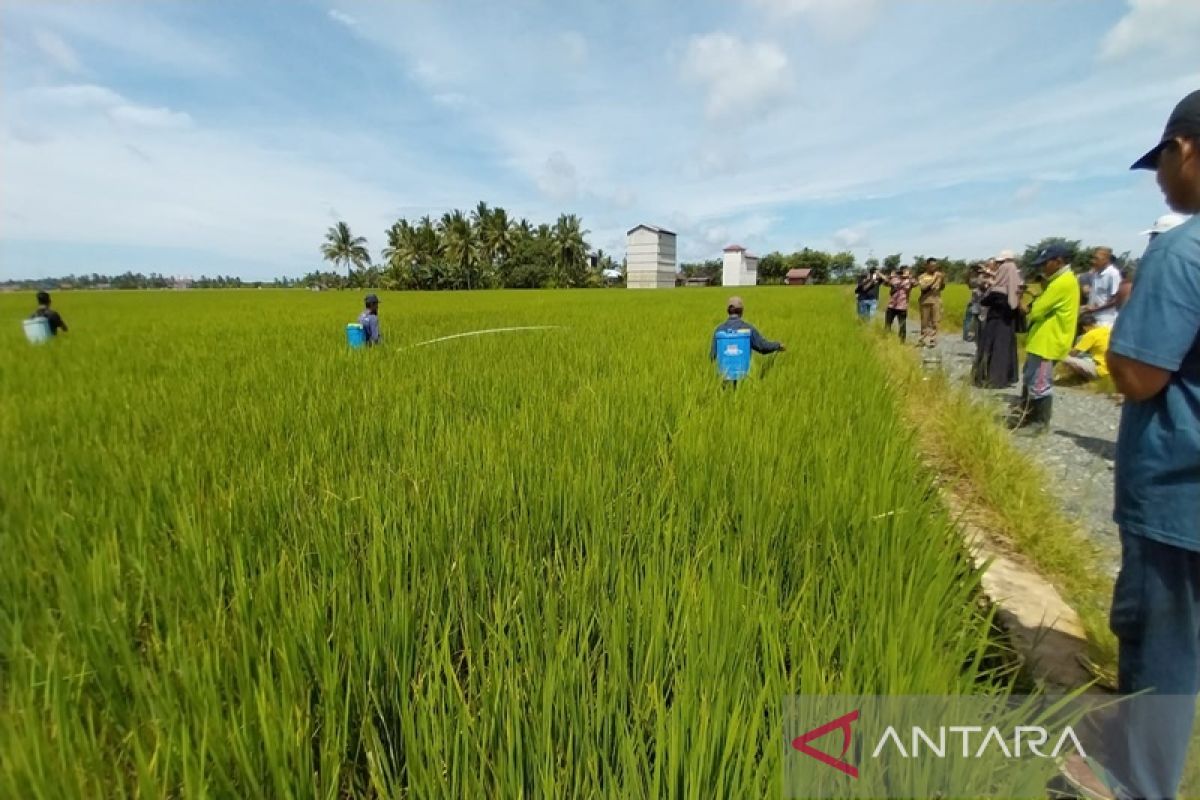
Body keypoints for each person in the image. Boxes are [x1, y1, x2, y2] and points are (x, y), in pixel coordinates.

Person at [1055, 88, 1200, 800]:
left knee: (1163, 646)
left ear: (1186, 149)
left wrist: (1116, 345)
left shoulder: (1183, 249)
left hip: (1180, 492)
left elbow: (1139, 374)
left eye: (1163, 165)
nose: (1164, 182)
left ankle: (1134, 785)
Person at [1011, 244, 1079, 433]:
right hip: (1041, 340)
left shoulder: (1062, 282)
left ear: (1058, 261)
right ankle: (1027, 416)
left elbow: (1038, 310)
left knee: (1040, 382)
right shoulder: (1057, 281)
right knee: (1031, 379)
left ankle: (1039, 423)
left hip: (1049, 342)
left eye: (1045, 263)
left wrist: (1034, 300)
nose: (1042, 268)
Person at [972, 251, 1021, 389]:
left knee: (993, 349)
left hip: (995, 323)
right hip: (1008, 323)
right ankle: (1007, 377)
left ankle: (991, 378)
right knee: (1007, 350)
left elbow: (985, 302)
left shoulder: (997, 290)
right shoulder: (1016, 289)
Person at [709, 296, 785, 362]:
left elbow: (712, 356)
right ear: (742, 311)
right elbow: (762, 347)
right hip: (743, 374)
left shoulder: (719, 330)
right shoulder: (748, 329)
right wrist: (777, 345)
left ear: (728, 311)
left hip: (723, 375)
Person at [1061, 313, 1110, 382]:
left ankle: (1082, 378)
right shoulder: (1107, 330)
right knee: (1085, 357)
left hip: (1101, 370)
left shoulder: (1090, 334)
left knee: (1063, 357)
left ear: (1084, 327)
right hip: (1112, 370)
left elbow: (1074, 353)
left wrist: (1064, 350)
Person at [1084, 246, 1122, 328]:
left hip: (1105, 321)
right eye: (1093, 258)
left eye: (1096, 259)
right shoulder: (1096, 273)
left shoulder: (1113, 274)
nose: (1093, 261)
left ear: (1106, 259)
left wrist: (1095, 309)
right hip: (1093, 318)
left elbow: (1115, 299)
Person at [916, 258, 945, 347]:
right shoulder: (922, 276)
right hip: (925, 301)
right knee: (924, 321)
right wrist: (934, 279)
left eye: (935, 266)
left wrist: (942, 279)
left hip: (936, 300)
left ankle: (933, 339)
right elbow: (924, 287)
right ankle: (923, 338)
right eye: (931, 265)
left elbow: (942, 287)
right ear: (927, 266)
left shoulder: (938, 275)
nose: (933, 267)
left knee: (935, 321)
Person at [884, 266, 915, 342]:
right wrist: (891, 276)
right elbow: (885, 283)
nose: (904, 273)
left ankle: (902, 341)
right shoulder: (895, 279)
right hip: (892, 305)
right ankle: (886, 338)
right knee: (888, 324)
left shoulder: (910, 281)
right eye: (902, 271)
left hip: (902, 306)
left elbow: (916, 283)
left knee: (902, 325)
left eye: (906, 271)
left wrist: (909, 277)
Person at [963, 263, 988, 342]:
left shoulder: (973, 279)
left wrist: (970, 271)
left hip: (975, 302)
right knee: (978, 321)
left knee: (970, 319)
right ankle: (977, 336)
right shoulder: (982, 278)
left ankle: (967, 335)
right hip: (980, 303)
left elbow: (968, 283)